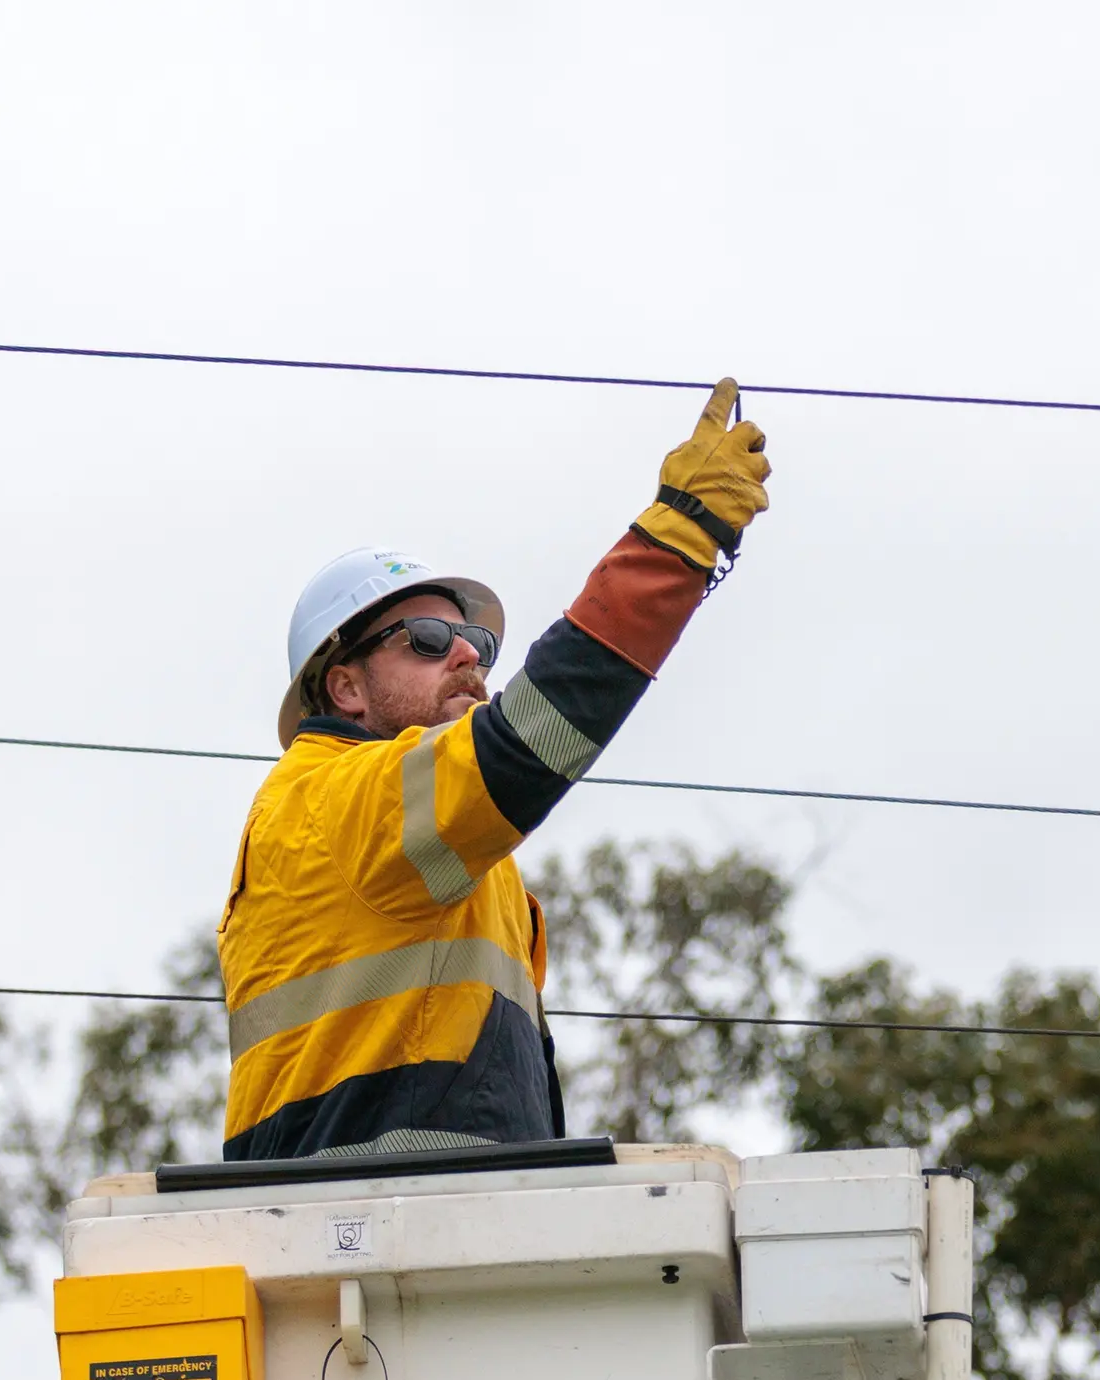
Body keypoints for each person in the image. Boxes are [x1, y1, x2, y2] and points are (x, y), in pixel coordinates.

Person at [218, 379, 771, 1162]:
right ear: (345, 687)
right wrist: (680, 535)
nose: (468, 655)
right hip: (381, 1214)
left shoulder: (440, 851)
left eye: (475, 642)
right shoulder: (333, 799)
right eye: (425, 638)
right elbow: (532, 734)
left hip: (419, 1213)